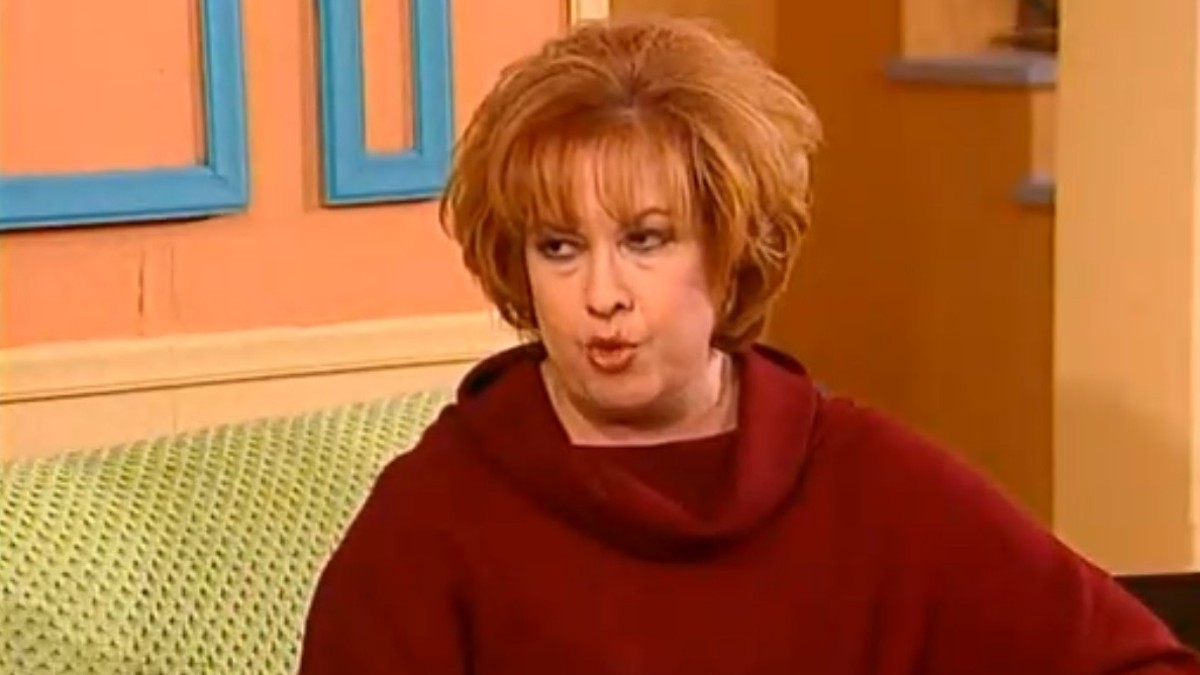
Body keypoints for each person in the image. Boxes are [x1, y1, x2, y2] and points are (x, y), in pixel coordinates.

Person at [296, 15, 1200, 675]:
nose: (601, 295)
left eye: (647, 239)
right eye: (560, 247)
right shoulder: (433, 519)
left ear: (732, 253)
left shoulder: (867, 480)